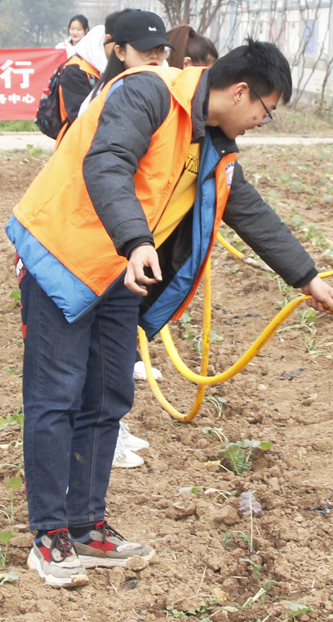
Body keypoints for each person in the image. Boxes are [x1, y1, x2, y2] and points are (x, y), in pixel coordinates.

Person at [6, 41, 333, 588]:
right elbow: (108, 162)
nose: (263, 121)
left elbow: (246, 208)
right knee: (56, 395)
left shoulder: (214, 141)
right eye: (266, 109)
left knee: (108, 396)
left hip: (120, 269)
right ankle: (48, 536)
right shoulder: (149, 92)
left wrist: (307, 277)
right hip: (63, 255)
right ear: (241, 92)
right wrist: (138, 240)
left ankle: (85, 526)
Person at [113, 24, 219, 471]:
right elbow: (113, 171)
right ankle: (101, 438)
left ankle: (109, 430)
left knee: (114, 343)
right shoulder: (141, 101)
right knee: (93, 357)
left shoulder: (201, 127)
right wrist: (136, 240)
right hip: (113, 248)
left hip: (134, 247)